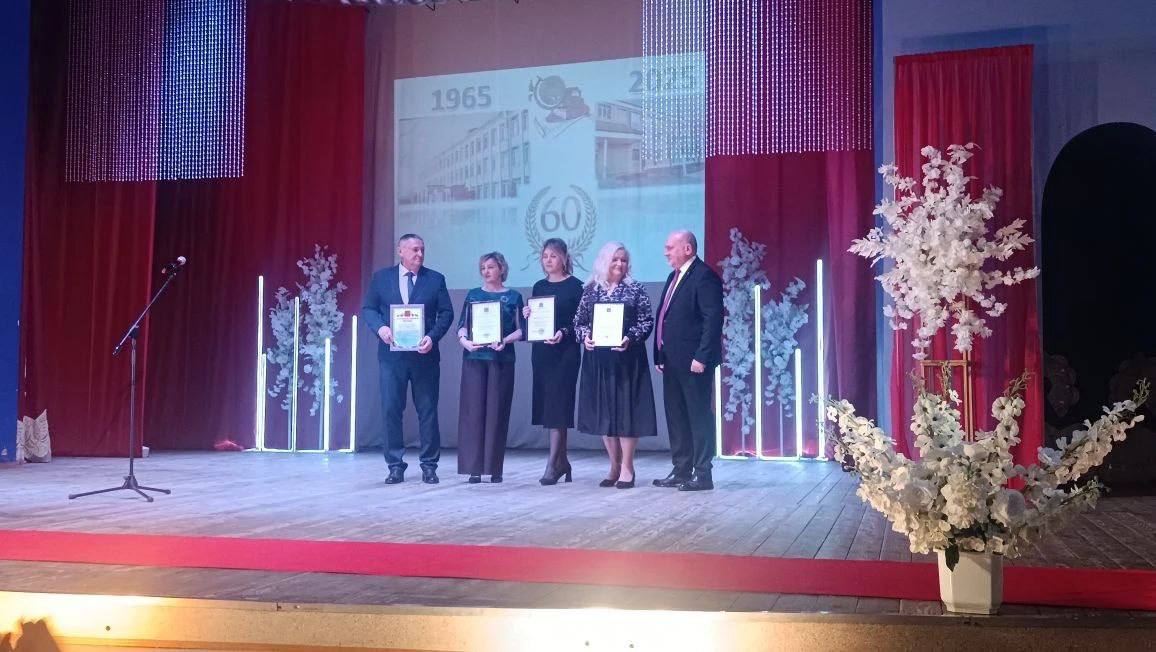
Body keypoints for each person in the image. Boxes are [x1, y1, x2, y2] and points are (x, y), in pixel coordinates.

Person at [361, 233, 454, 485]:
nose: (420, 254)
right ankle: (395, 465)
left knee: (428, 411)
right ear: (400, 251)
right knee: (391, 410)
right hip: (392, 358)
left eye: (422, 249)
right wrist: (381, 329)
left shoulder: (435, 279)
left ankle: (429, 465)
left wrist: (432, 337)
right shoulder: (382, 278)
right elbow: (369, 309)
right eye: (414, 250)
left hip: (425, 356)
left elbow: (446, 313)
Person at [573, 242, 657, 489]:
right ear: (604, 262)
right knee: (606, 416)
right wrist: (585, 337)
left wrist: (629, 337)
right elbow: (579, 322)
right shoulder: (591, 290)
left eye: (623, 260)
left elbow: (646, 321)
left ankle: (627, 467)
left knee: (626, 415)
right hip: (598, 362)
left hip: (628, 361)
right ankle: (614, 465)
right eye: (615, 259)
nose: (620, 264)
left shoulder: (636, 289)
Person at [652, 230, 723, 491]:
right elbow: (665, 316)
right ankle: (681, 469)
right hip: (672, 361)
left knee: (698, 416)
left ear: (688, 249)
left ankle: (703, 473)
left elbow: (713, 320)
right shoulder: (674, 276)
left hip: (694, 362)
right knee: (677, 416)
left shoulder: (704, 276)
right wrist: (659, 354)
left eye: (670, 247)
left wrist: (701, 357)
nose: (665, 252)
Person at [456, 252, 524, 483]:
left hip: (501, 360)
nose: (486, 271)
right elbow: (462, 325)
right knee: (472, 413)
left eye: (491, 267)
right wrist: (465, 341)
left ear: (501, 269)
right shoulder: (473, 295)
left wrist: (505, 340)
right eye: (483, 267)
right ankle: (473, 468)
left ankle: (495, 469)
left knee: (497, 413)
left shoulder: (513, 297)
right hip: (474, 359)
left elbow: (522, 329)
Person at [523, 238, 584, 485]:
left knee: (559, 406)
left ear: (564, 258)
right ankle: (562, 461)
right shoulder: (539, 286)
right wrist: (527, 314)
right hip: (542, 354)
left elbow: (581, 322)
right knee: (549, 406)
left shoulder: (576, 286)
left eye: (554, 255)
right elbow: (536, 322)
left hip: (565, 353)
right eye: (545, 256)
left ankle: (553, 464)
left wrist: (564, 332)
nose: (548, 260)